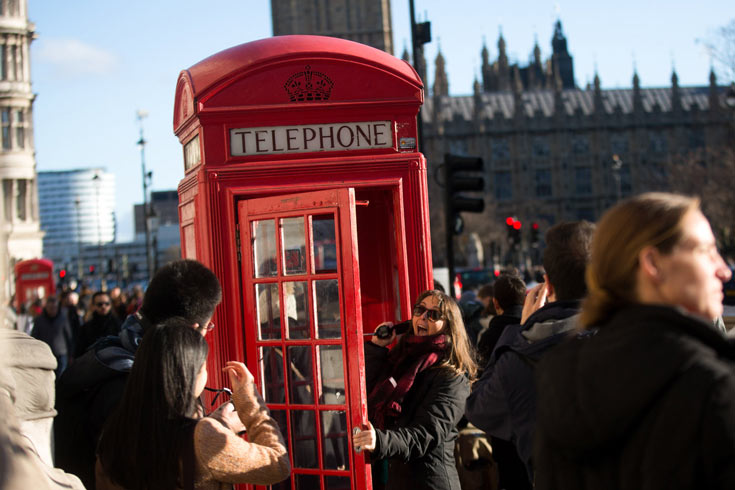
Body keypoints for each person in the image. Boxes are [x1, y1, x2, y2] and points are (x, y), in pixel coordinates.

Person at [534, 193, 735, 490]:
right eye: (706, 250)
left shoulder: (560, 376)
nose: (724, 269)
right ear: (653, 263)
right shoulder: (714, 386)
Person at [54, 259, 223, 489]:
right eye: (207, 328)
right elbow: (155, 470)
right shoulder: (140, 386)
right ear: (191, 331)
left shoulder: (107, 354)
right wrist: (217, 430)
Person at [466, 221, 594, 487]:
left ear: (546, 283)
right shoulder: (635, 340)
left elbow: (477, 408)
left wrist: (517, 332)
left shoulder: (518, 358)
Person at [96, 319, 290, 489]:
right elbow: (278, 465)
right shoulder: (204, 438)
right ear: (188, 377)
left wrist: (217, 425)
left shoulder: (113, 431)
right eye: (203, 367)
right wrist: (251, 403)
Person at [352, 289, 477, 490]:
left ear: (448, 325)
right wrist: (377, 347)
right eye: (419, 310)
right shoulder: (401, 359)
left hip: (429, 482)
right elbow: (364, 393)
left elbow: (425, 434)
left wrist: (380, 441)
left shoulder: (452, 377)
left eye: (434, 314)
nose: (423, 317)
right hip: (393, 478)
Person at [475, 273, 526, 368]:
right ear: (525, 300)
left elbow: (482, 373)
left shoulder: (488, 337)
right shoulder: (534, 327)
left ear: (495, 303)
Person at [30, 295, 74, 376]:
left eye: (54, 308)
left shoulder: (63, 319)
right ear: (46, 308)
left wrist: (71, 354)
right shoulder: (39, 320)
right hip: (45, 353)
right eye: (50, 308)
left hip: (61, 353)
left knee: (60, 376)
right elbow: (34, 336)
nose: (52, 310)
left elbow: (69, 336)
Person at [74, 290, 121, 358]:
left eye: (107, 303)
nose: (103, 306)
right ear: (93, 306)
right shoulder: (86, 327)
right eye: (100, 304)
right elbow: (79, 350)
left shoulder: (118, 324)